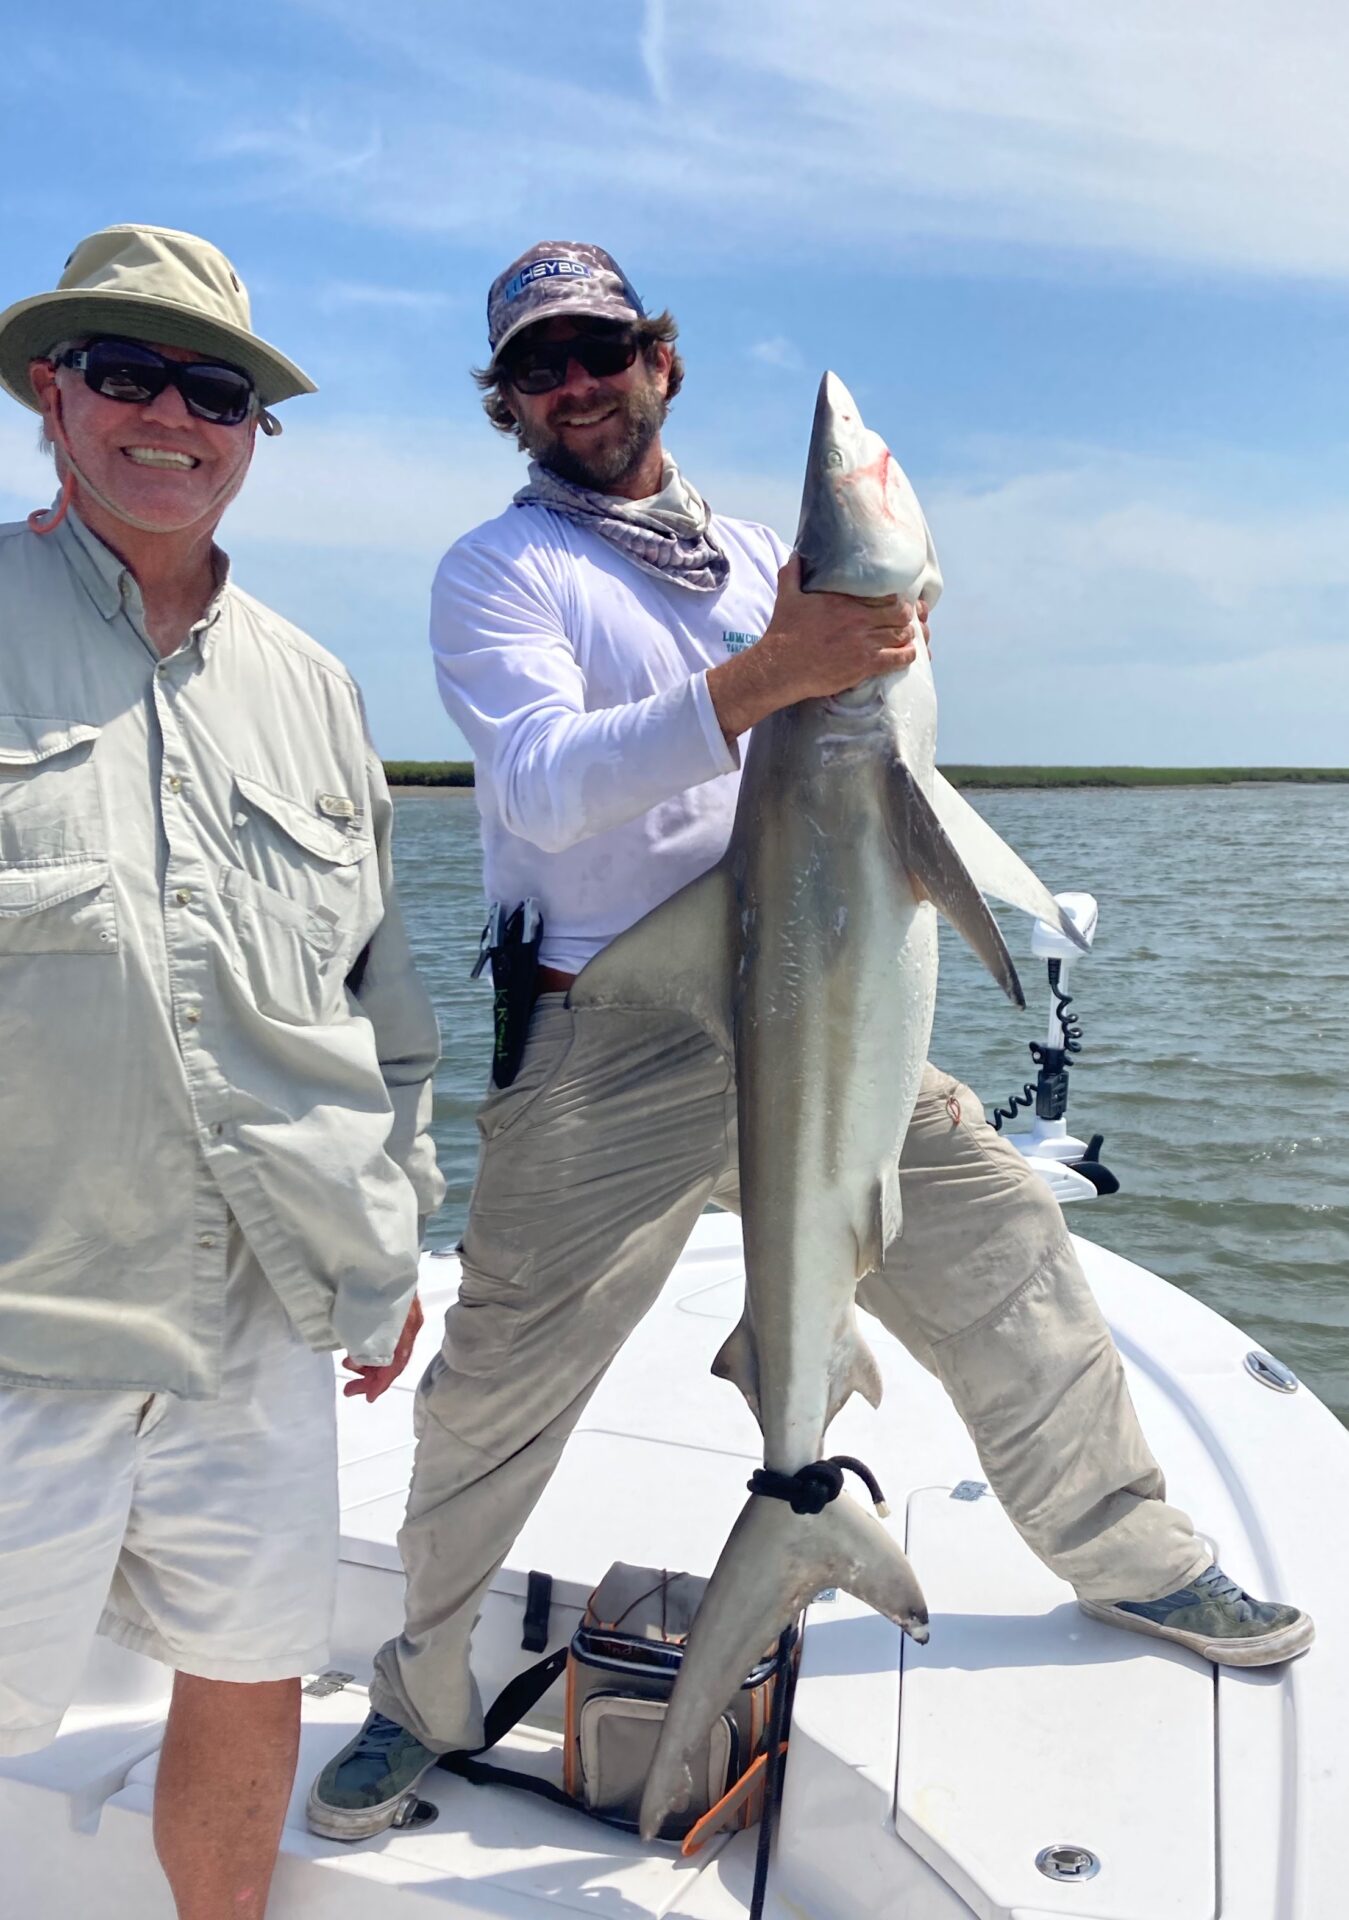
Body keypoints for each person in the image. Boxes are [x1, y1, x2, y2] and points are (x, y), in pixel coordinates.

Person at [308, 240, 1312, 1841]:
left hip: (829, 1010)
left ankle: (1135, 1558)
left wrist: (862, 651)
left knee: (1008, 1253)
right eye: (541, 367)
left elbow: (882, 790)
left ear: (662, 360)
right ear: (507, 401)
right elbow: (549, 787)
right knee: (494, 1387)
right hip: (611, 1031)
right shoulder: (501, 573)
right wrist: (780, 671)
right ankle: (420, 1695)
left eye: (605, 348)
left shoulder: (767, 555)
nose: (580, 384)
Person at [0, 224, 445, 1919]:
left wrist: (391, 1229)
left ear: (255, 429)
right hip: (26, 1301)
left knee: (251, 1667)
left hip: (265, 1302)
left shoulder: (319, 693)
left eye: (218, 386)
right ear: (56, 394)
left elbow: (381, 1012)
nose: (172, 414)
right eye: (126, 372)